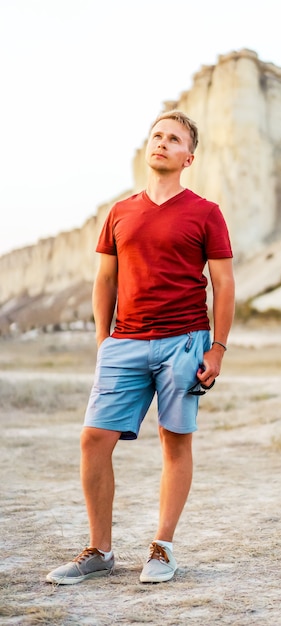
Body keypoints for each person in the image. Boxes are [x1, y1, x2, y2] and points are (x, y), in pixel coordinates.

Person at [46, 110, 235, 585]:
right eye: (157, 136)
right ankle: (100, 551)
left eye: (174, 139)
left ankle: (162, 548)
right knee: (94, 439)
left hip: (185, 341)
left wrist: (218, 350)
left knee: (174, 441)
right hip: (124, 342)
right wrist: (103, 342)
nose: (163, 143)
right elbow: (104, 279)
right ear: (147, 147)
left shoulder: (205, 211)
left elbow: (224, 283)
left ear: (188, 157)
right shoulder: (120, 211)